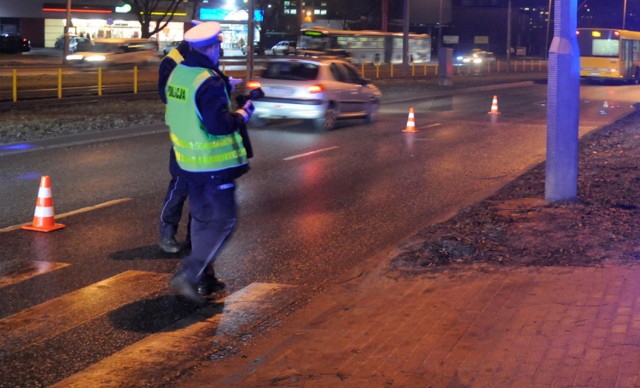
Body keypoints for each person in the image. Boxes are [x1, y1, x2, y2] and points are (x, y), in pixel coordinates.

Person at [165, 21, 254, 304]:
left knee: (202, 220)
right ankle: (191, 274)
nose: (220, 50)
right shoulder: (208, 80)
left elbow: (191, 111)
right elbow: (218, 124)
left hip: (188, 164)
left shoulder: (180, 74)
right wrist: (243, 113)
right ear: (213, 47)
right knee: (223, 221)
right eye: (219, 45)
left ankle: (202, 277)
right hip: (213, 166)